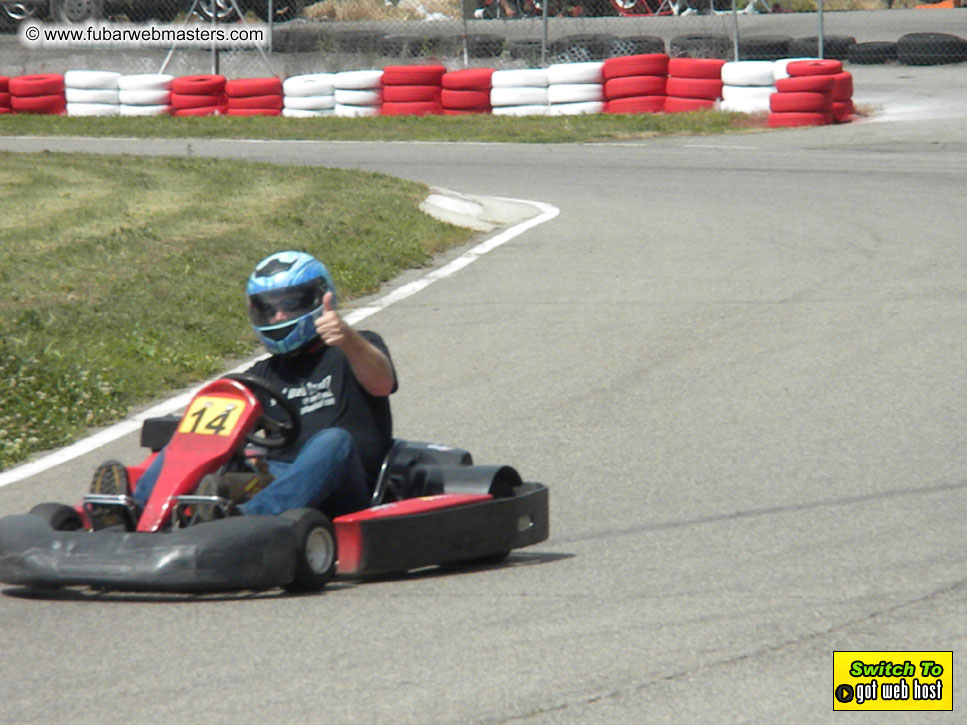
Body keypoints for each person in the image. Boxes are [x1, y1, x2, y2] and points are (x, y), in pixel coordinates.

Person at [89, 250, 397, 524]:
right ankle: (134, 510)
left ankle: (247, 521)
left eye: (290, 304)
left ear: (318, 298)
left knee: (333, 440)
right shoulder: (262, 374)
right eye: (268, 308)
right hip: (277, 479)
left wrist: (346, 338)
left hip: (344, 485)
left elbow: (381, 383)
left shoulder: (357, 348)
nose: (279, 316)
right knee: (196, 438)